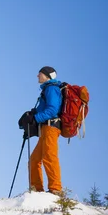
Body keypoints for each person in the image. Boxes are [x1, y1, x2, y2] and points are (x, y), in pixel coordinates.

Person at [18, 66, 63, 194]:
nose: (38, 76)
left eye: (40, 74)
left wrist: (35, 118)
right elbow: (44, 110)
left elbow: (52, 110)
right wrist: (32, 115)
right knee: (34, 160)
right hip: (45, 129)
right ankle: (37, 190)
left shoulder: (52, 88)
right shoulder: (47, 90)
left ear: (47, 76)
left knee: (50, 156)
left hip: (51, 127)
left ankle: (55, 189)